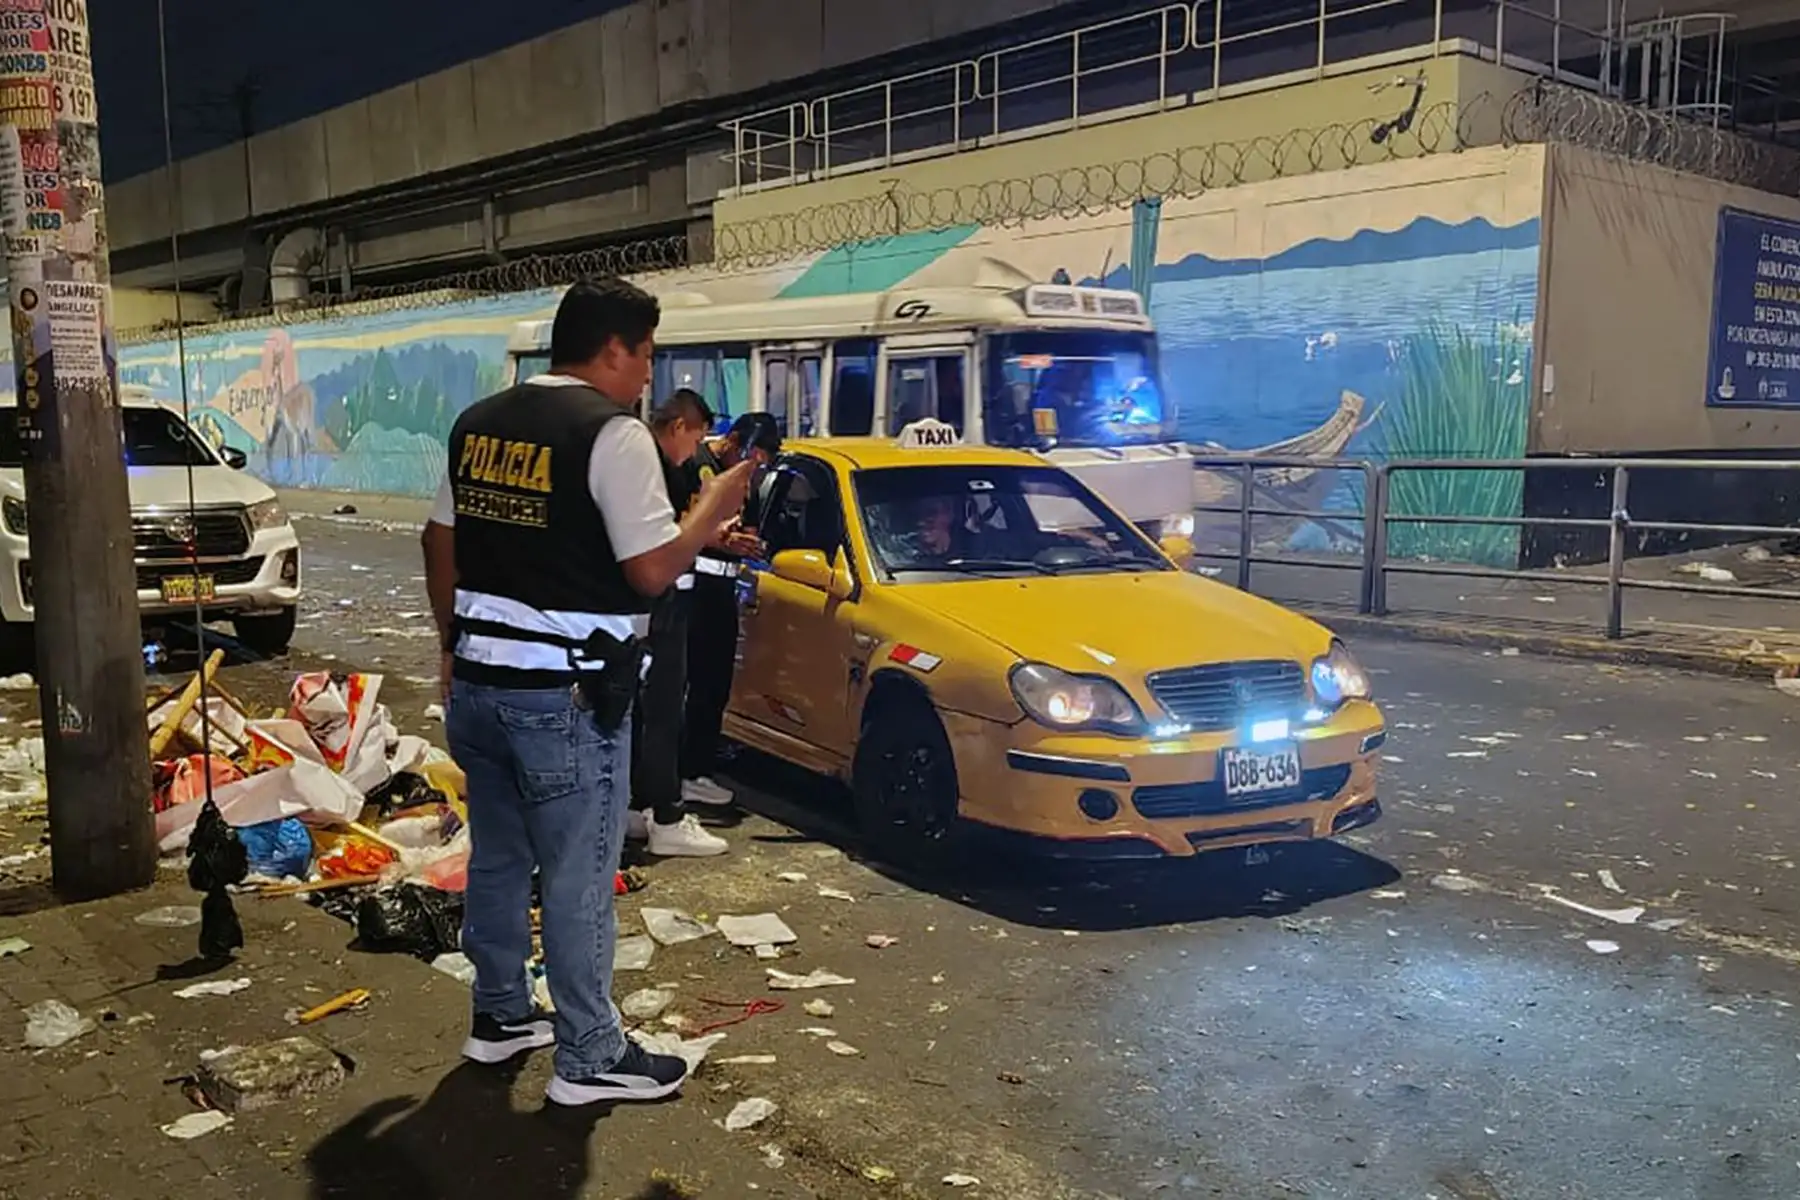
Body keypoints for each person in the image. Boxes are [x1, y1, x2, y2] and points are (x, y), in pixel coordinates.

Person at [419, 277, 752, 1108]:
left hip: (480, 690)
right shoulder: (613, 435)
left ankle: (499, 1015)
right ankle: (590, 1053)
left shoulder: (479, 424)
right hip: (564, 699)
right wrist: (709, 510)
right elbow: (648, 573)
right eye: (643, 354)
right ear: (611, 349)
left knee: (498, 859)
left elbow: (438, 538)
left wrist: (451, 646)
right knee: (577, 874)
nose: (646, 374)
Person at [626, 388, 730, 857]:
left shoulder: (645, 459)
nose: (696, 451)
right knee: (663, 710)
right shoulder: (652, 466)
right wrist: (714, 516)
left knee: (641, 711)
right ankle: (666, 814)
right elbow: (665, 539)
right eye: (696, 439)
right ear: (680, 427)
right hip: (657, 604)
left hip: (644, 605)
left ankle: (636, 805)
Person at [682, 412, 782, 807]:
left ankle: (697, 769)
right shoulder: (695, 468)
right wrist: (722, 541)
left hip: (724, 590)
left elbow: (751, 529)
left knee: (714, 683)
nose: (754, 467)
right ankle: (680, 772)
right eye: (751, 456)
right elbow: (681, 525)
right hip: (690, 588)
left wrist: (746, 541)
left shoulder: (747, 481)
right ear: (733, 441)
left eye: (761, 463)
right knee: (687, 686)